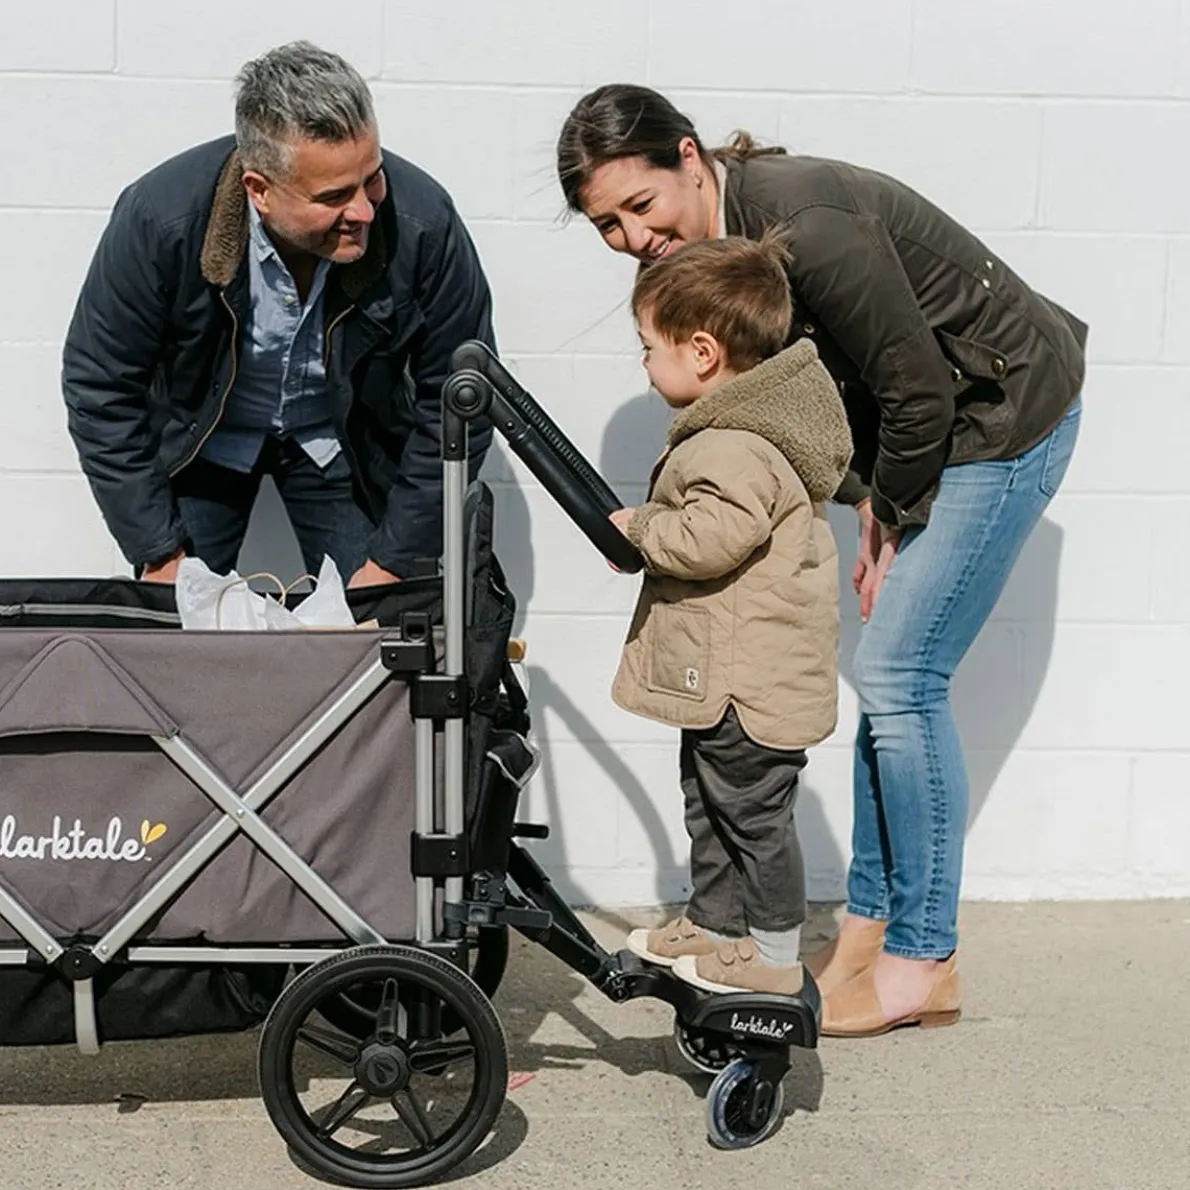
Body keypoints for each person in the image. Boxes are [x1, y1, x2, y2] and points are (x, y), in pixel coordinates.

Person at [558, 84, 1086, 1035]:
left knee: (900, 677)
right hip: (936, 432)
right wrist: (875, 503)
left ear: (688, 156)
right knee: (894, 681)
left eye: (640, 206)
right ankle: (870, 931)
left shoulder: (806, 226)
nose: (631, 237)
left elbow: (916, 385)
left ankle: (924, 959)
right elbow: (813, 398)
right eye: (605, 225)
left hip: (1004, 415)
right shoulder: (716, 246)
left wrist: (891, 512)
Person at [62, 41, 495, 587]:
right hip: (203, 446)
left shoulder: (423, 223)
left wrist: (391, 563)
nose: (363, 210)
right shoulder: (159, 221)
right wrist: (157, 552)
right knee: (173, 642)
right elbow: (99, 386)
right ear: (259, 190)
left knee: (377, 636)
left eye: (373, 177)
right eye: (334, 196)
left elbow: (459, 403)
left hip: (342, 445)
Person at [609, 233, 853, 997]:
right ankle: (716, 927)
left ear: (704, 352)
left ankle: (776, 956)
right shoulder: (742, 432)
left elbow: (711, 537)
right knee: (710, 803)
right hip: (730, 681)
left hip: (752, 687)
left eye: (650, 347)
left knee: (751, 819)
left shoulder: (736, 444)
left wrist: (642, 528)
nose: (644, 364)